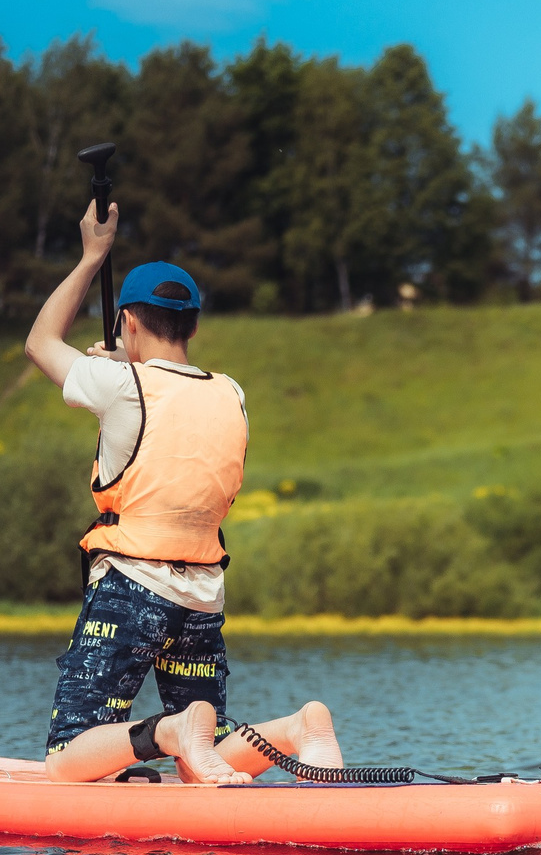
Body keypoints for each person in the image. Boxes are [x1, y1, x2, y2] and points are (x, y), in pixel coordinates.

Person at [23, 199, 345, 785]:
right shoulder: (232, 391)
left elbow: (41, 342)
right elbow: (173, 394)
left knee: (66, 761)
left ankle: (166, 731)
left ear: (128, 322)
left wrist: (93, 256)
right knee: (208, 759)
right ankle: (298, 729)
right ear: (194, 326)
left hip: (132, 587)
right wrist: (129, 362)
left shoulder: (121, 385)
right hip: (203, 593)